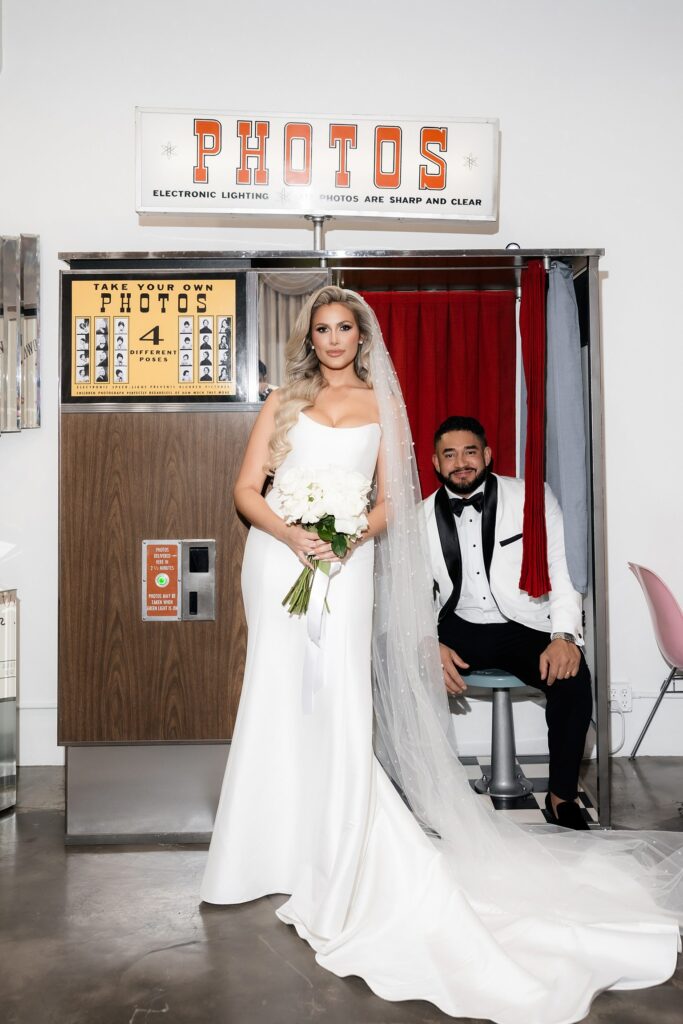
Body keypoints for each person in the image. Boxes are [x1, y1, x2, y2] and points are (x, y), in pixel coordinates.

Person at [201, 287, 681, 1024]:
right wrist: (292, 535)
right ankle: (261, 846)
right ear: (311, 336)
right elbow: (245, 492)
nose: (333, 339)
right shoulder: (281, 401)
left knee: (336, 698)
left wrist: (346, 536)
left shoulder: (379, 405)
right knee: (272, 695)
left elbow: (393, 499)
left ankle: (336, 841)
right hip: (274, 560)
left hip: (345, 562)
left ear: (361, 338)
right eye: (322, 328)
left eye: (345, 328)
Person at [425, 415, 591, 829]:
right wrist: (427, 642)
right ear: (435, 462)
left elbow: (561, 568)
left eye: (469, 451)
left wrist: (564, 635)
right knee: (398, 666)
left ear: (487, 454)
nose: (461, 462)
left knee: (573, 679)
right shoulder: (418, 516)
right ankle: (422, 797)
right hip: (457, 624)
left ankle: (561, 796)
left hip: (523, 623)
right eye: (450, 454)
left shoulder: (531, 497)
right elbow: (410, 593)